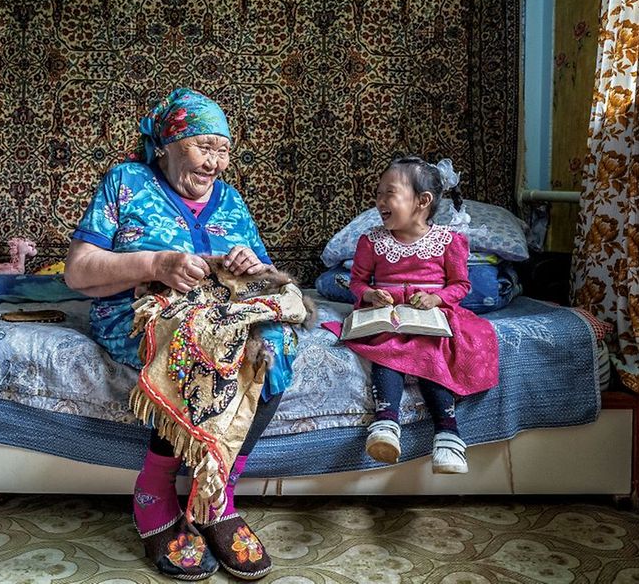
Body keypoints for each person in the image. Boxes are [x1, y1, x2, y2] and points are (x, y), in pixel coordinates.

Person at [64, 88, 292, 581]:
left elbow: (265, 273)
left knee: (272, 344)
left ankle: (218, 493)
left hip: (218, 310)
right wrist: (154, 263)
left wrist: (252, 267)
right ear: (167, 146)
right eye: (203, 146)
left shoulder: (230, 200)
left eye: (223, 149)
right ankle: (154, 489)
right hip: (138, 312)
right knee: (198, 345)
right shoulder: (126, 182)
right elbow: (78, 273)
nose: (215, 162)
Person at [323, 156, 499, 474]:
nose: (379, 201)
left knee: (433, 352)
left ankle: (448, 435)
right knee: (386, 351)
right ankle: (386, 426)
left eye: (389, 193)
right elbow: (357, 281)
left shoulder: (449, 241)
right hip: (388, 316)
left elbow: (460, 285)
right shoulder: (372, 241)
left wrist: (436, 298)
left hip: (429, 316)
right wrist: (369, 294)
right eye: (378, 194)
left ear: (422, 201)